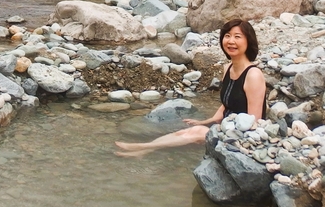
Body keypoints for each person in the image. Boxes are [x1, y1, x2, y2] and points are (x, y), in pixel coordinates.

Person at [114, 18, 266, 157]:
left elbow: (255, 121)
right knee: (186, 131)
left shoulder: (253, 75)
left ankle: (141, 147)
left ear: (248, 41)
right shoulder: (228, 68)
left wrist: (219, 131)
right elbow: (228, 103)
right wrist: (208, 121)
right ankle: (147, 149)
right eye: (227, 36)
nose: (231, 41)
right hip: (227, 127)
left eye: (237, 37)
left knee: (197, 133)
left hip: (243, 137)